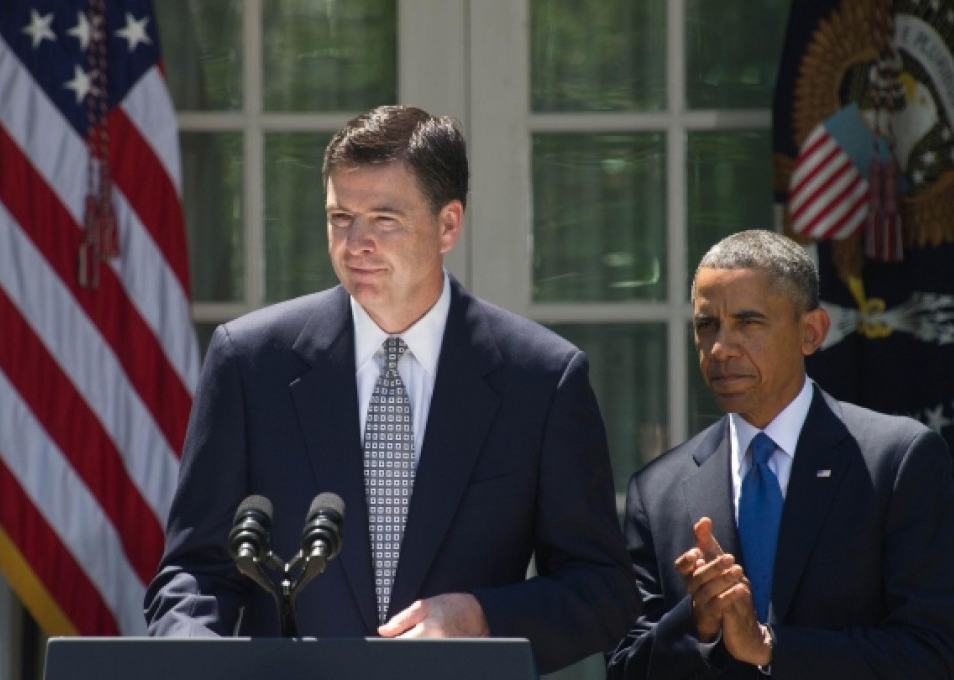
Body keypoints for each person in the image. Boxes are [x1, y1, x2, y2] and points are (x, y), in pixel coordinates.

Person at [145, 104, 640, 674]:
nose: (356, 243)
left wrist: (481, 615)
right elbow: (194, 573)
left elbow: (603, 591)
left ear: (448, 224)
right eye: (340, 218)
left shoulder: (542, 379)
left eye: (384, 219)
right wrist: (194, 657)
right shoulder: (250, 362)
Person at [607, 229, 954, 679]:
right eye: (707, 325)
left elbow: (932, 654)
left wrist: (770, 647)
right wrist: (702, 623)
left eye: (748, 323)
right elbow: (623, 668)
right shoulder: (657, 491)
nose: (720, 349)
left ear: (811, 332)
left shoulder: (897, 462)